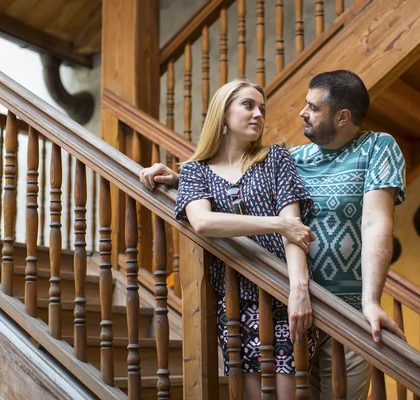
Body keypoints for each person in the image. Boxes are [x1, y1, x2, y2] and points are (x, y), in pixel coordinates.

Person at [140, 70, 406, 400]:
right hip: (282, 297)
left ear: (342, 117)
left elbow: (375, 223)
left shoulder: (376, 147)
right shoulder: (293, 157)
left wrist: (370, 301)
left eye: (312, 107)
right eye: (250, 106)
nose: (301, 112)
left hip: (341, 310)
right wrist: (181, 180)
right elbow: (239, 181)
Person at [168, 79, 316, 399]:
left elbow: (295, 231)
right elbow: (203, 222)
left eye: (262, 108)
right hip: (237, 301)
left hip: (283, 294)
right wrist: (277, 224)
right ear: (223, 113)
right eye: (248, 105)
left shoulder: (275, 158)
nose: (258, 114)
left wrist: (299, 289)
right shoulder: (196, 171)